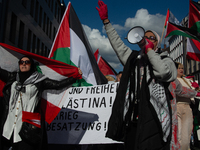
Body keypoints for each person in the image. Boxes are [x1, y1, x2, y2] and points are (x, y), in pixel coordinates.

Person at [96, 1, 177, 149]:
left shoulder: (166, 60)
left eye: (151, 37)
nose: (146, 39)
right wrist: (106, 22)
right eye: (144, 36)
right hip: (133, 118)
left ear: (157, 42)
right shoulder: (133, 58)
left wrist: (150, 51)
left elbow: (163, 72)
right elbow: (118, 46)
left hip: (154, 119)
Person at [0, 55, 82, 150]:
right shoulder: (12, 77)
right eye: (21, 62)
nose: (24, 64)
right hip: (8, 126)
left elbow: (57, 85)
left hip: (27, 126)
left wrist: (74, 76)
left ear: (31, 65)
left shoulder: (39, 80)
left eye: (27, 62)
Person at [176, 62, 200, 150]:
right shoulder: (173, 80)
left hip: (187, 107)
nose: (181, 70)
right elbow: (180, 92)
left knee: (186, 134)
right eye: (179, 68)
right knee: (178, 134)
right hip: (177, 106)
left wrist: (195, 88)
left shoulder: (188, 80)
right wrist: (193, 90)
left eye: (182, 68)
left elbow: (194, 92)